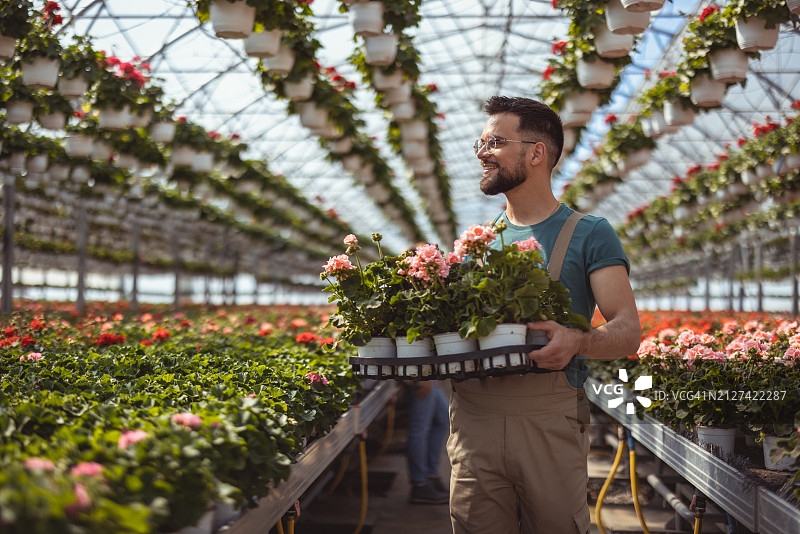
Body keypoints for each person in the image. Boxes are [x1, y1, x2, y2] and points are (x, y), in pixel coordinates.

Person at [447, 96, 642, 533]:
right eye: (479, 143)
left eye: (495, 141)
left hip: (548, 421)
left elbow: (628, 330)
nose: (482, 153)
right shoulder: (477, 245)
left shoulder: (589, 233)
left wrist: (579, 341)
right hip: (473, 420)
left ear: (536, 153)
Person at [406, 380, 450, 504]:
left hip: (428, 372)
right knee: (419, 428)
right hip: (419, 371)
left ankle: (431, 476)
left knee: (442, 418)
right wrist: (420, 378)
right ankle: (420, 484)